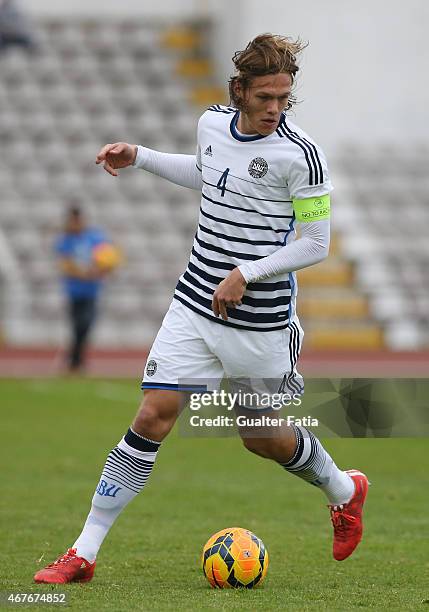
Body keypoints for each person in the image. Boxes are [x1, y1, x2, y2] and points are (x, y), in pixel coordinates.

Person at [34, 33, 369, 584]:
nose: (274, 109)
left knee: (260, 436)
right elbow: (209, 172)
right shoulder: (212, 122)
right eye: (264, 97)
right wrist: (138, 156)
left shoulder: (302, 155)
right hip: (194, 304)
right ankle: (83, 553)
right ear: (238, 90)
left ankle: (344, 489)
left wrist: (246, 273)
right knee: (150, 416)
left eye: (284, 99)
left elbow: (316, 244)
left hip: (261, 324)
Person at [55, 206, 109, 373]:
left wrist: (99, 271)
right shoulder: (66, 240)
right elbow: (65, 264)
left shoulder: (94, 237)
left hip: (91, 291)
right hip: (74, 291)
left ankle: (75, 360)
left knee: (85, 324)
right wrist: (85, 273)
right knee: (77, 325)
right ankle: (75, 360)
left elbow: (108, 259)